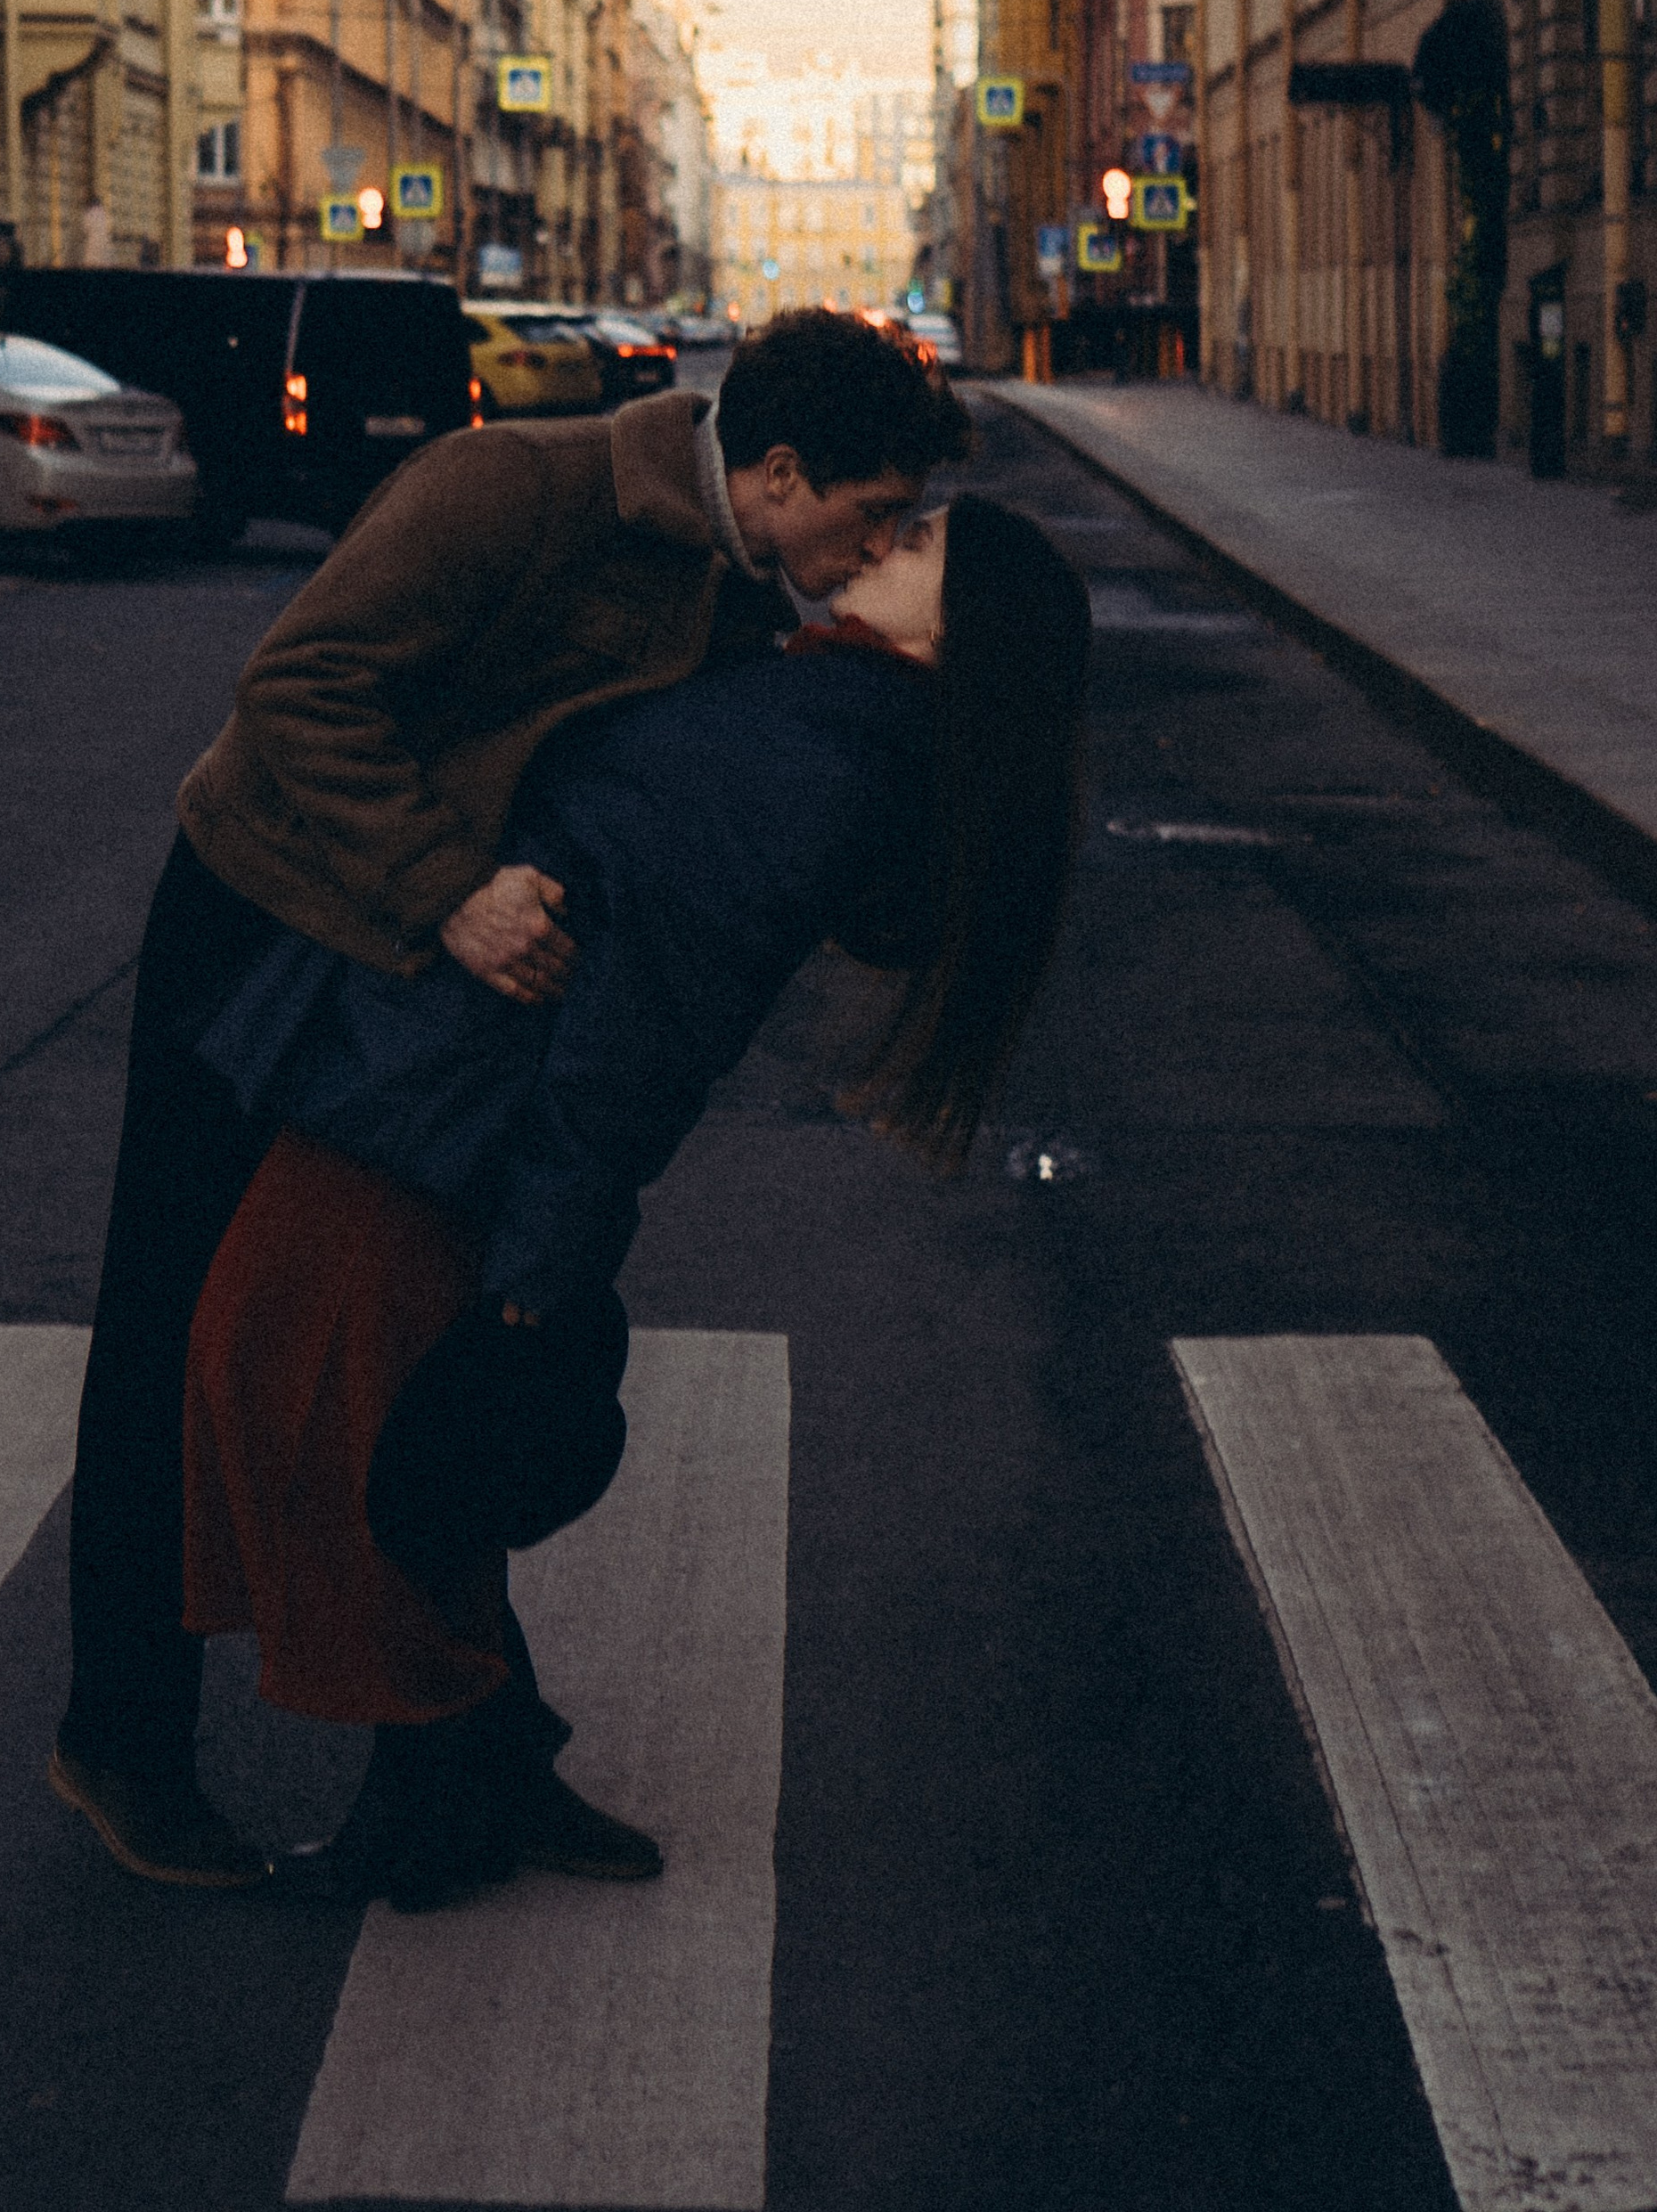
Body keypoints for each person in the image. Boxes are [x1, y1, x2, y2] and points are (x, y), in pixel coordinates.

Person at [51, 308, 970, 1889]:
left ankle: (473, 1745)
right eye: (871, 513)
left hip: (428, 993)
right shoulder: (511, 492)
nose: (879, 543)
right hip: (268, 916)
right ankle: (121, 1745)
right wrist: (451, 892)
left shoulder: (748, 589)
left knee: (436, 1357)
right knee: (172, 1328)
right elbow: (295, 696)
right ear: (778, 469)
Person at [178, 493, 1090, 1913]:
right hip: (435, 1080)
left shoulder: (827, 760)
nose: (874, 551)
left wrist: (544, 1268)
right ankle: (486, 1764)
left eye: (913, 548)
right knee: (370, 1417)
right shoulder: (831, 706)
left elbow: (641, 1033)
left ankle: (428, 1803)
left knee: (294, 1402)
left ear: (960, 634)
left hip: (443, 1104)